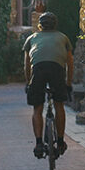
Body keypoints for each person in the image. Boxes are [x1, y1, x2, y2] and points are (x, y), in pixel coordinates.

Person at [23, 11, 74, 159]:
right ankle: (60, 141)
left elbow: (27, 65)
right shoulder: (63, 38)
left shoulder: (31, 38)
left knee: (37, 108)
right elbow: (70, 63)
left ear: (40, 25)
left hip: (38, 70)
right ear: (55, 25)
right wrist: (68, 84)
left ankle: (39, 143)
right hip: (57, 70)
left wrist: (28, 83)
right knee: (59, 105)